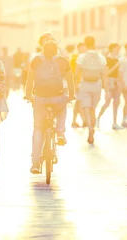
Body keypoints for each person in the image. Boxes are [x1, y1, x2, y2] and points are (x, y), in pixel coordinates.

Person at [26, 40, 75, 174]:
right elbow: (70, 80)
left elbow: (30, 79)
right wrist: (71, 95)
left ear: (43, 49)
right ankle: (60, 132)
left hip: (40, 98)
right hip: (57, 96)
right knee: (62, 109)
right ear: (56, 50)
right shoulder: (63, 61)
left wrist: (28, 95)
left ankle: (35, 163)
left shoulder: (36, 60)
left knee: (38, 128)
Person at [76, 36, 107, 144]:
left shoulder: (82, 57)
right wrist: (106, 90)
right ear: (94, 43)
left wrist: (75, 84)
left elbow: (77, 73)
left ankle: (90, 128)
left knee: (86, 108)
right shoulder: (101, 57)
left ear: (85, 44)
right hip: (97, 84)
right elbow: (104, 74)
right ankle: (92, 126)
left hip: (85, 83)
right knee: (93, 109)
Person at [97, 43, 122, 129]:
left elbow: (118, 74)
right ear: (112, 49)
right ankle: (98, 118)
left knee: (116, 103)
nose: (118, 50)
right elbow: (106, 73)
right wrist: (116, 66)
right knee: (107, 103)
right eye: (116, 48)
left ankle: (115, 123)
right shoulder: (107, 60)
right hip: (109, 82)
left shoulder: (118, 60)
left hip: (116, 83)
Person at [71, 42, 88, 128]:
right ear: (79, 48)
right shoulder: (76, 58)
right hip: (79, 83)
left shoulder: (82, 57)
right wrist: (76, 84)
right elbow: (74, 72)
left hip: (82, 83)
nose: (85, 49)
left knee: (78, 103)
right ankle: (84, 120)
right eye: (83, 47)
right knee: (80, 102)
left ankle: (74, 121)